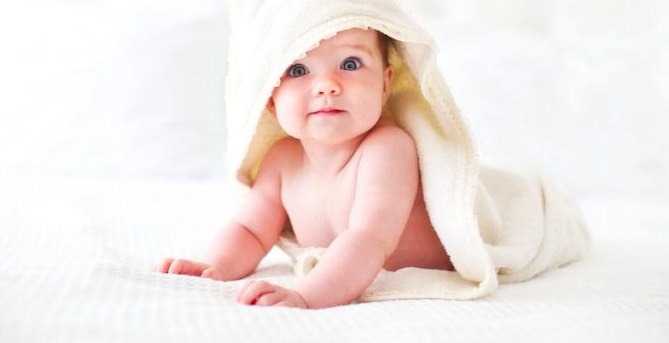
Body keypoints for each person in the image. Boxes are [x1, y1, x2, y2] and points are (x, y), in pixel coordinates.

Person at [158, 27, 453, 309]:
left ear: (385, 85)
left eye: (350, 64)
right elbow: (250, 231)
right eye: (298, 70)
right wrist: (215, 266)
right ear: (271, 100)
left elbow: (369, 238)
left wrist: (306, 296)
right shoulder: (282, 161)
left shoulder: (387, 148)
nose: (326, 85)